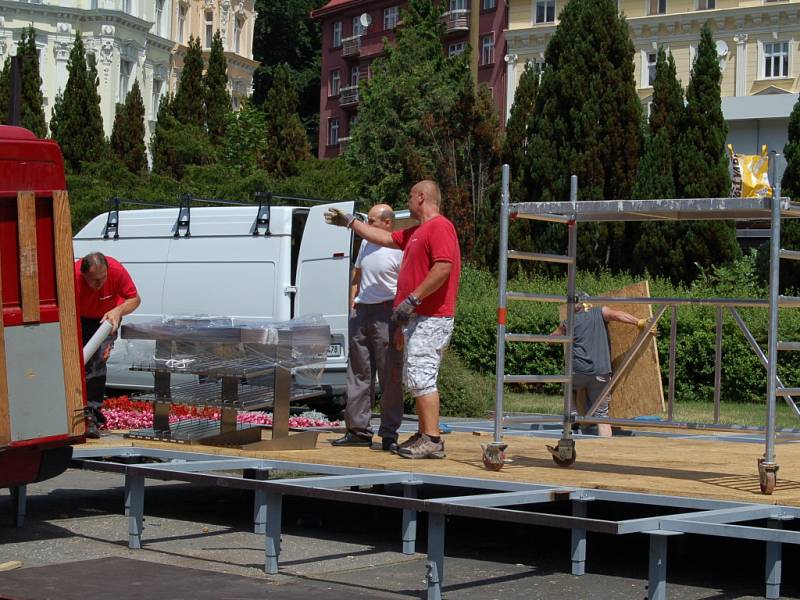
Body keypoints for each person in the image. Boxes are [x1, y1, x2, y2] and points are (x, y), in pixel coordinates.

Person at [325, 180, 461, 459]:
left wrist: (413, 299)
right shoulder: (415, 232)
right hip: (417, 317)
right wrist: (350, 222)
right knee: (416, 375)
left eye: (411, 196)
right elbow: (383, 238)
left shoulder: (440, 226)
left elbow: (444, 266)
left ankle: (432, 439)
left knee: (421, 375)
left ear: (422, 197)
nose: (407, 201)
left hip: (431, 316)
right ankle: (426, 434)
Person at [331, 204, 405, 451]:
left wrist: (401, 320)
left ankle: (389, 434)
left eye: (371, 221)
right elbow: (357, 272)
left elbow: (406, 283)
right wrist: (352, 302)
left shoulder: (399, 247)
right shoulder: (365, 243)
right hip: (362, 312)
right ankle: (358, 430)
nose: (367, 225)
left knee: (389, 375)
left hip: (387, 312)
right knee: (359, 372)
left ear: (387, 223)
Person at [551, 294, 655, 437]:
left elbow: (552, 338)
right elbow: (618, 315)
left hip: (578, 372)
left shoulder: (569, 322)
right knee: (602, 416)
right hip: (601, 372)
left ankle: (572, 416)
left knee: (567, 384)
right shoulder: (600, 312)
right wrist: (639, 322)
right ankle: (606, 446)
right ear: (589, 303)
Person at [75, 252, 141, 438]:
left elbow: (134, 299)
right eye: (94, 280)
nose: (100, 283)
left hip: (107, 319)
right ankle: (73, 411)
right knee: (76, 363)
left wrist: (118, 310)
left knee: (97, 363)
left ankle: (92, 416)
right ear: (83, 275)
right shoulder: (73, 277)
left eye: (103, 277)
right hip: (78, 318)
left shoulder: (116, 269)